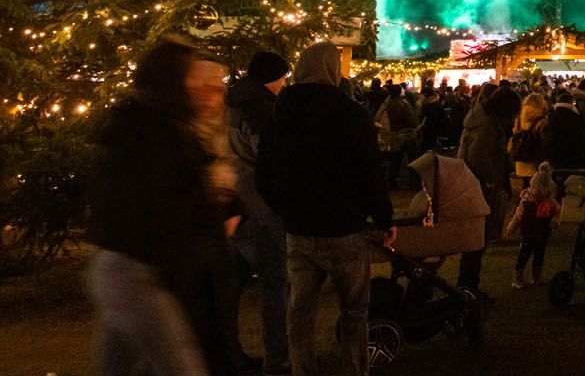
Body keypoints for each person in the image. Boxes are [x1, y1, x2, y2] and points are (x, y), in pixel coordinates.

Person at [88, 41, 241, 376]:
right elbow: (150, 210)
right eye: (191, 77)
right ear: (172, 80)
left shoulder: (159, 127)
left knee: (116, 367)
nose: (200, 88)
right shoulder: (153, 133)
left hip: (127, 267)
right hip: (139, 271)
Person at [258, 42, 394, 376]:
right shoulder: (349, 113)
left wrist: (283, 207)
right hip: (343, 227)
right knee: (354, 311)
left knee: (300, 311)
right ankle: (354, 369)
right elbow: (369, 170)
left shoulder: (279, 112)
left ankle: (302, 370)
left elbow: (263, 171)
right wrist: (383, 218)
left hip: (299, 228)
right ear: (332, 70)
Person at [227, 51, 292, 375]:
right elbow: (271, 161)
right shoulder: (261, 110)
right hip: (261, 206)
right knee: (274, 285)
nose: (284, 83)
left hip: (231, 206)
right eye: (283, 77)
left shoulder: (231, 102)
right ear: (271, 77)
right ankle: (278, 358)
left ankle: (227, 353)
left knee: (229, 288)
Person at [456, 81, 512, 294]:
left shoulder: (479, 121)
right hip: (480, 188)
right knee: (477, 239)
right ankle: (468, 286)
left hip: (476, 185)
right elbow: (479, 156)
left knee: (477, 239)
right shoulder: (487, 127)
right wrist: (490, 179)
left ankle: (469, 284)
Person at [510, 161, 561, 288]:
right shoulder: (526, 201)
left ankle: (537, 277)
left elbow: (557, 212)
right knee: (524, 254)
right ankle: (518, 277)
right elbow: (518, 215)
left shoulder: (549, 202)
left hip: (542, 233)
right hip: (528, 233)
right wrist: (512, 226)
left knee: (539, 255)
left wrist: (555, 220)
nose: (536, 192)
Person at [547, 90, 585, 171]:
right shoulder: (574, 116)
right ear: (570, 102)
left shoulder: (553, 115)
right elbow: (582, 136)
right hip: (573, 154)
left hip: (557, 154)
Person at [509, 92, 549, 189]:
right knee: (536, 186)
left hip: (522, 155)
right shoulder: (541, 120)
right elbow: (545, 139)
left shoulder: (519, 117)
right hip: (535, 157)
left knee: (526, 185)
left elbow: (515, 132)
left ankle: (523, 201)